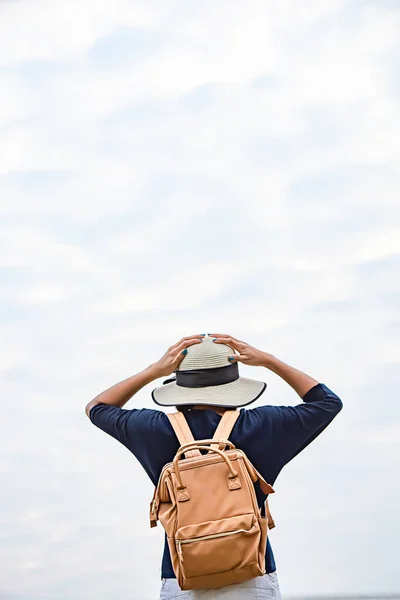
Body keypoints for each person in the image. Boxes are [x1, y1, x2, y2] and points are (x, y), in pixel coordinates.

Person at [86, 333, 343, 599]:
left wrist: (153, 370)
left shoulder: (153, 429)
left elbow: (97, 407)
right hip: (253, 576)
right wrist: (269, 361)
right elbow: (327, 403)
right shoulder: (264, 424)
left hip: (182, 579)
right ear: (234, 384)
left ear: (179, 384)